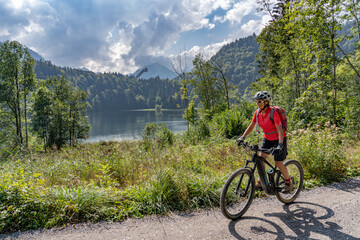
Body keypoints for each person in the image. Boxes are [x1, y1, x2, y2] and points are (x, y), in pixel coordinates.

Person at [237, 91, 293, 193]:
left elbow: (280, 130)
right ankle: (262, 180)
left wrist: (280, 145)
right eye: (256, 101)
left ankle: (288, 182)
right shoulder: (257, 112)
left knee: (279, 163)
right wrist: (243, 137)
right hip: (267, 138)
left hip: (279, 139)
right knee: (261, 159)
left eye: (259, 101)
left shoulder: (273, 113)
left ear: (266, 102)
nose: (257, 103)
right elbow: (252, 125)